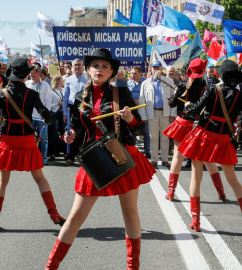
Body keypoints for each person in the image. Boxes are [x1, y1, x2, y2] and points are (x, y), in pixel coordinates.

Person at [44, 48, 155, 270]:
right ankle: (51, 266)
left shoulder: (121, 93)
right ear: (88, 70)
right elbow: (77, 126)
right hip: (94, 158)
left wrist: (131, 118)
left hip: (122, 155)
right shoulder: (79, 97)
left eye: (105, 66)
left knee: (130, 213)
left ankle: (133, 268)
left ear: (112, 71)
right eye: (96, 65)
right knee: (75, 217)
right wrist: (71, 134)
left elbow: (140, 128)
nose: (100, 70)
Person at [0, 58, 65, 232]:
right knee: (40, 178)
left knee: (2, 181)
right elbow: (46, 115)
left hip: (8, 139)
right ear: (25, 75)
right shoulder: (31, 94)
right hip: (26, 139)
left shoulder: (2, 93)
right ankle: (54, 214)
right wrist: (49, 119)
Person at [177, 60, 242, 233]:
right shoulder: (241, 95)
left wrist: (188, 106)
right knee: (233, 180)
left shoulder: (212, 89)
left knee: (195, 178)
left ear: (220, 75)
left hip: (203, 134)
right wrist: (240, 124)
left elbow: (196, 108)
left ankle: (196, 222)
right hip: (224, 138)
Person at [163, 58, 227, 202]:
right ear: (203, 70)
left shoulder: (183, 84)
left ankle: (171, 193)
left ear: (190, 70)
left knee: (177, 158)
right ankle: (221, 193)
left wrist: (175, 93)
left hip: (183, 122)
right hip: (199, 124)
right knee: (207, 160)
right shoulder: (208, 86)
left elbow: (172, 104)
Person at [138, 60, 176, 167]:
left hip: (165, 113)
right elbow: (142, 101)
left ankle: (164, 159)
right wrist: (144, 116)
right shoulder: (145, 83)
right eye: (154, 68)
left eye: (158, 68)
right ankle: (154, 159)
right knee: (153, 137)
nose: (156, 70)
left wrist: (172, 114)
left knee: (165, 137)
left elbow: (174, 98)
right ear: (151, 69)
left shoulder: (168, 81)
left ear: (162, 69)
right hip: (152, 112)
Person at [62, 59, 87, 166]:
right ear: (72, 67)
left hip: (85, 107)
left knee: (84, 131)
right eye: (75, 65)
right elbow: (65, 97)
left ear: (83, 66)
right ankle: (70, 157)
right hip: (72, 108)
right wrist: (64, 113)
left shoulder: (88, 78)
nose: (77, 67)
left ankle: (82, 156)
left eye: (79, 65)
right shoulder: (68, 79)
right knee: (71, 132)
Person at [26, 64, 53, 166]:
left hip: (41, 117)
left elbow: (48, 101)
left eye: (33, 73)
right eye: (30, 73)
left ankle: (43, 157)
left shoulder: (45, 85)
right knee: (30, 138)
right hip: (30, 117)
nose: (31, 75)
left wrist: (45, 114)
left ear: (39, 73)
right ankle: (31, 157)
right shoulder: (27, 84)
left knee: (44, 138)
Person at [127, 66, 150, 158]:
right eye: (132, 73)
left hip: (144, 110)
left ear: (141, 74)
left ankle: (147, 151)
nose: (132, 75)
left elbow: (149, 96)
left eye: (135, 73)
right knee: (132, 131)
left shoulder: (147, 83)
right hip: (133, 111)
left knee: (146, 132)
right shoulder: (128, 83)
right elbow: (127, 96)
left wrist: (140, 101)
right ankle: (132, 151)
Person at [47, 74, 65, 161]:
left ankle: (65, 152)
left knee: (63, 132)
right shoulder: (51, 92)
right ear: (58, 81)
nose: (63, 80)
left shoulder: (62, 90)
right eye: (62, 79)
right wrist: (58, 104)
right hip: (54, 114)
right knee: (53, 134)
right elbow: (48, 105)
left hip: (62, 114)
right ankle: (52, 153)